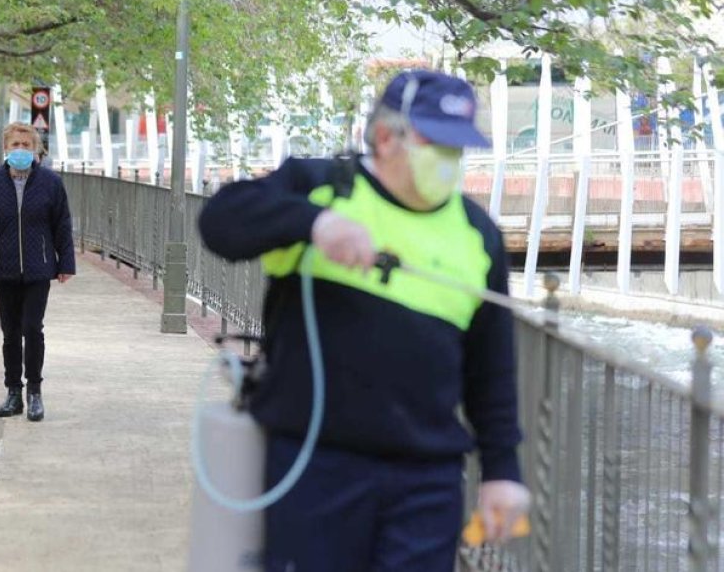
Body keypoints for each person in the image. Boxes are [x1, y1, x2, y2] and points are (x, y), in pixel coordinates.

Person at [198, 71, 530, 571]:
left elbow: (491, 370)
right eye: (435, 143)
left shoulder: (477, 235)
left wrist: (502, 471)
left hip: (427, 477)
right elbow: (220, 222)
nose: (448, 160)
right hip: (316, 465)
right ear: (383, 137)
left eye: (457, 148)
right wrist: (313, 223)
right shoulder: (322, 188)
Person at [0, 123, 75, 422]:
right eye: (16, 144)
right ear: (6, 148)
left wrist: (66, 263)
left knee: (32, 328)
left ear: (36, 149)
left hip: (39, 268)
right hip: (5, 267)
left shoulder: (50, 182)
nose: (21, 150)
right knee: (10, 333)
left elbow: (62, 224)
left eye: (27, 144)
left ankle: (34, 392)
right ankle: (13, 392)